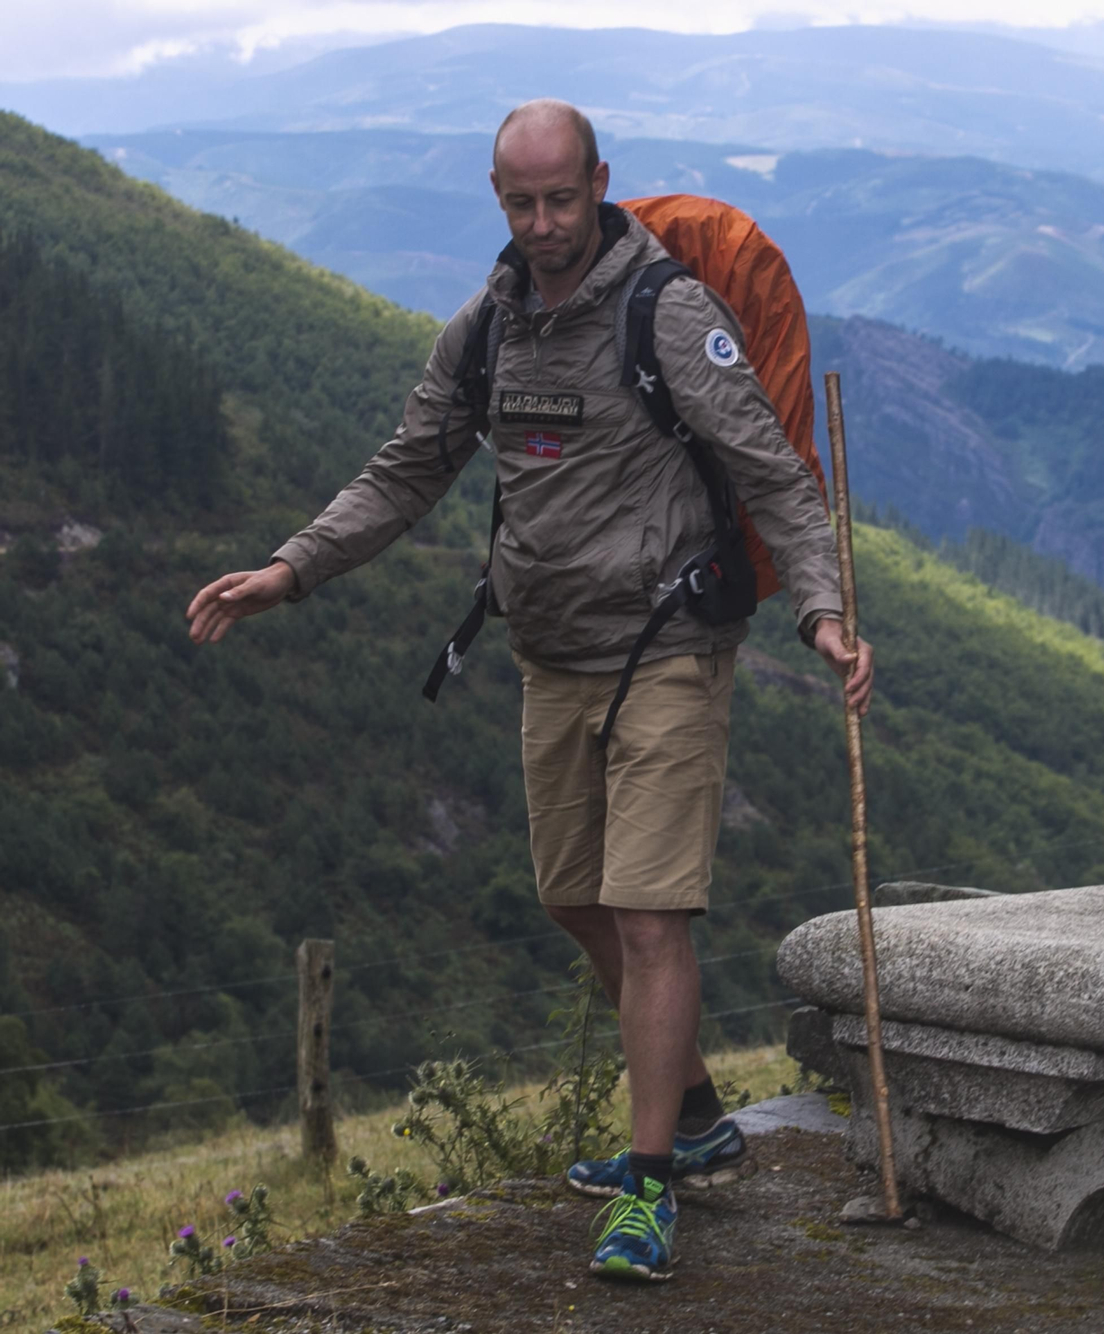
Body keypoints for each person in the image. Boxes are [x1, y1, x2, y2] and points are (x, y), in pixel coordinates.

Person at [185, 99, 872, 1283]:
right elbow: (407, 467)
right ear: (496, 198)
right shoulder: (490, 328)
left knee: (652, 914)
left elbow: (773, 470)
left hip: (666, 646)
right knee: (575, 900)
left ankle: (651, 1186)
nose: (546, 223)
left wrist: (819, 607)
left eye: (563, 198)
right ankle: (699, 1112)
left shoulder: (667, 311)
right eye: (522, 202)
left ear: (599, 181)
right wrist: (291, 568)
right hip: (549, 657)